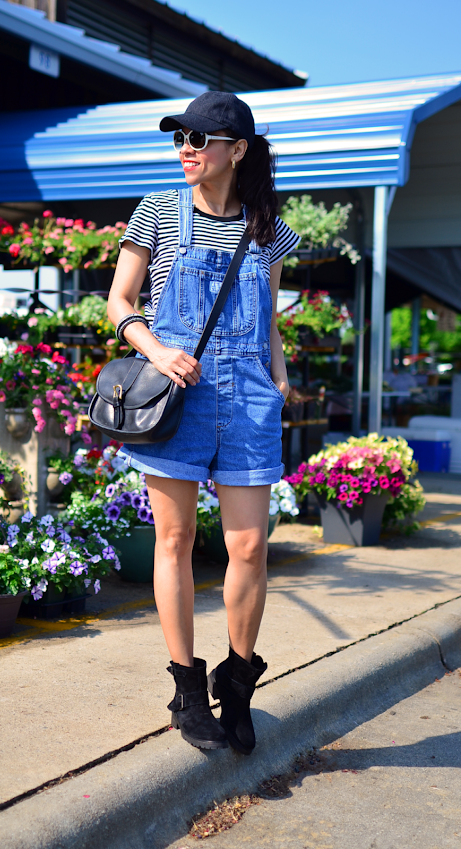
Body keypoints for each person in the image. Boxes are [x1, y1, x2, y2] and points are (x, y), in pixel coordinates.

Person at [107, 91, 300, 755]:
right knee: (176, 538)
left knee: (248, 547)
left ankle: (238, 682)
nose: (185, 149)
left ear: (236, 149)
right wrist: (156, 349)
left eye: (199, 138)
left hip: (247, 397)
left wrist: (277, 374)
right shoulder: (158, 210)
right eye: (178, 138)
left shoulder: (265, 225)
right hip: (176, 393)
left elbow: (267, 314)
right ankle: (188, 690)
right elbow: (118, 301)